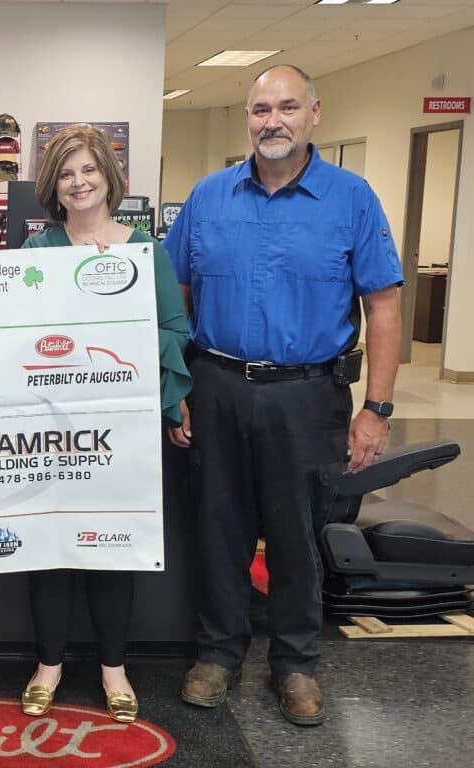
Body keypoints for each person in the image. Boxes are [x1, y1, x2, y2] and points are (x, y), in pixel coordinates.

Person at [164, 64, 403, 726]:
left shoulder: (352, 200)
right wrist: (175, 385)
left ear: (314, 114)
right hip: (216, 387)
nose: (273, 120)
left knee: (298, 536)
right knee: (218, 531)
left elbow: (383, 307)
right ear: (247, 117)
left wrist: (376, 409)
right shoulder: (208, 199)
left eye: (287, 107)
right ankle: (218, 654)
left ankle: (295, 666)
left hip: (307, 396)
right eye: (261, 108)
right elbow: (176, 300)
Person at [19, 124, 191, 723]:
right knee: (50, 545)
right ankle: (49, 664)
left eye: (89, 170)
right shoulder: (37, 252)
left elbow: (174, 330)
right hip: (49, 427)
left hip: (120, 429)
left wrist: (163, 393)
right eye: (66, 173)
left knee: (113, 547)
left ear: (110, 178)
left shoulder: (144, 251)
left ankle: (114, 667)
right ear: (53, 186)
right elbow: (8, 333)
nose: (79, 182)